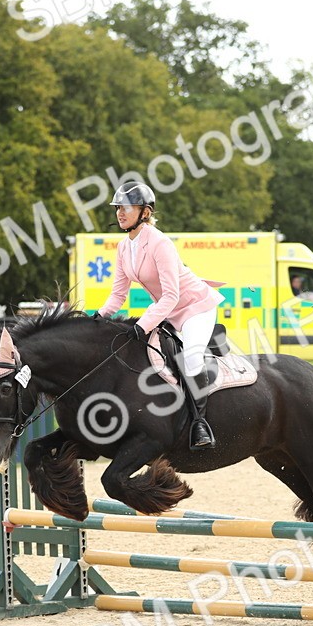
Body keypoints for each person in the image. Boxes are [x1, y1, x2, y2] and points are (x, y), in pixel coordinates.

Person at [95, 181, 225, 450]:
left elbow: (171, 296)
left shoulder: (160, 243)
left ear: (145, 212)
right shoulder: (123, 247)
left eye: (127, 207)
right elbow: (118, 294)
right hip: (166, 311)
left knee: (189, 359)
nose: (120, 212)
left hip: (194, 308)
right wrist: (97, 317)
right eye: (118, 207)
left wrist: (142, 326)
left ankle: (200, 424)